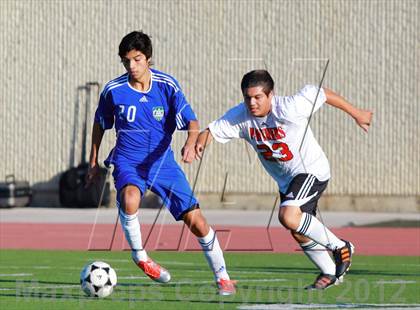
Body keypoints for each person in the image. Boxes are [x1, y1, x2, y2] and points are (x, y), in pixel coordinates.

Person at [86, 31, 236, 295]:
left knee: (197, 222)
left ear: (148, 59)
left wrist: (190, 143)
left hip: (163, 163)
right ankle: (140, 256)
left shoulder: (167, 86)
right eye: (126, 61)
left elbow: (192, 122)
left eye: (137, 59)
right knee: (131, 198)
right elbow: (100, 125)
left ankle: (223, 277)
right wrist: (93, 160)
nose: (132, 66)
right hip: (128, 161)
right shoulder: (114, 90)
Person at [195, 69, 373, 290]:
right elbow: (211, 130)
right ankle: (330, 272)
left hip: (310, 170)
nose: (252, 102)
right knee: (298, 230)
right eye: (247, 97)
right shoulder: (241, 115)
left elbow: (321, 93)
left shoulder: (289, 107)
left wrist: (357, 113)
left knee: (288, 215)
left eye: (258, 97)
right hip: (287, 181)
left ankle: (341, 247)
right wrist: (199, 143)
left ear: (271, 95)